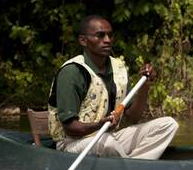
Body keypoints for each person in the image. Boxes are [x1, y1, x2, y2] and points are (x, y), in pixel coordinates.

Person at [46, 15, 177, 159]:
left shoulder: (118, 68)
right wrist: (99, 125)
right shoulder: (72, 72)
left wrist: (145, 85)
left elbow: (133, 118)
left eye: (110, 35)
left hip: (109, 136)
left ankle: (135, 164)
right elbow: (70, 128)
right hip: (72, 143)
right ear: (83, 40)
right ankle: (131, 166)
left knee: (168, 125)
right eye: (100, 36)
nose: (107, 40)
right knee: (108, 144)